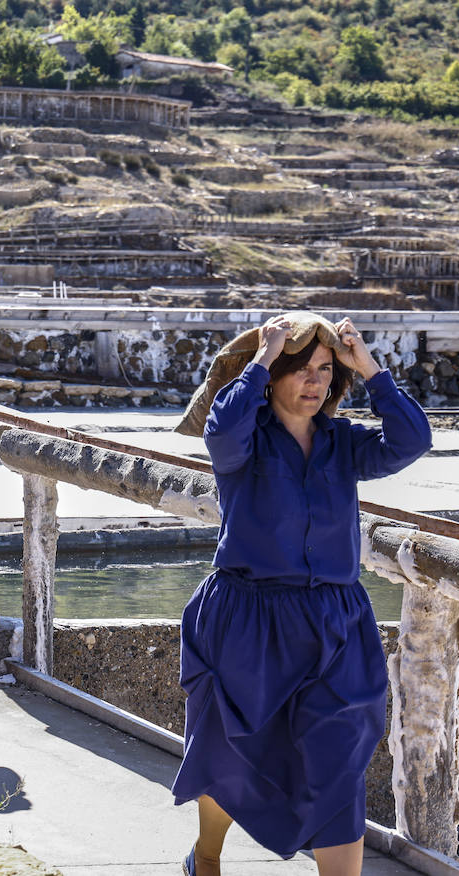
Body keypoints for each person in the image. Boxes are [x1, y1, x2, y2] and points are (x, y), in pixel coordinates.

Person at [172, 313, 431, 876]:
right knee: (232, 750)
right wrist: (263, 355)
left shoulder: (345, 444)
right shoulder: (245, 440)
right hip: (248, 616)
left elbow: (414, 439)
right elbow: (219, 432)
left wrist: (368, 367)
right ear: (273, 378)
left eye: (323, 371)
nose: (313, 382)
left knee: (341, 759)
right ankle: (208, 857)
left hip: (335, 623)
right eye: (300, 370)